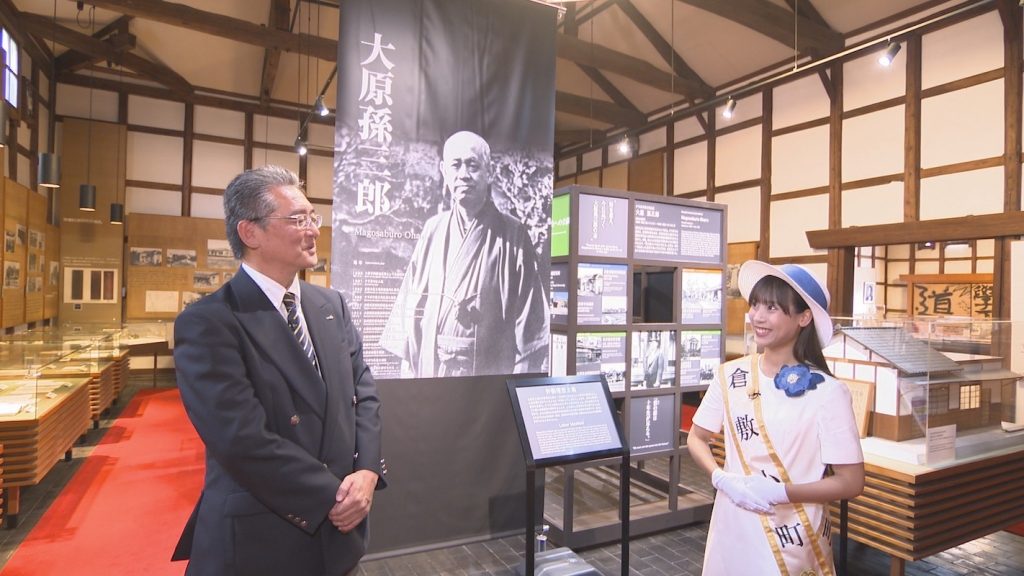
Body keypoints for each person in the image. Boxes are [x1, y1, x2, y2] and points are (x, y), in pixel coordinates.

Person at [172, 166, 386, 576]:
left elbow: (365, 393)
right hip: (263, 539)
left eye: (313, 217)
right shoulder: (210, 322)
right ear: (250, 233)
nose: (312, 230)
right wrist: (336, 496)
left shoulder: (331, 306)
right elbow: (240, 440)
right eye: (297, 219)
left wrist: (367, 472)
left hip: (339, 539)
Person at [686, 261, 864, 575]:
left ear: (803, 317)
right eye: (755, 304)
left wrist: (783, 493)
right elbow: (697, 437)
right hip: (732, 522)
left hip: (792, 533)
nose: (757, 316)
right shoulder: (731, 375)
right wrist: (719, 477)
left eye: (772, 307)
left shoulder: (829, 392)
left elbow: (851, 481)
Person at [381, 130, 548, 378]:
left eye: (473, 165)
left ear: (489, 172)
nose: (463, 175)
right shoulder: (432, 230)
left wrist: (517, 388)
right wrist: (409, 369)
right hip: (433, 373)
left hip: (487, 382)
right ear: (444, 171)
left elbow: (531, 330)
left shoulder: (513, 235)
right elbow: (410, 303)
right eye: (455, 165)